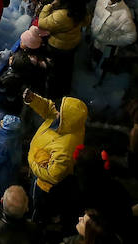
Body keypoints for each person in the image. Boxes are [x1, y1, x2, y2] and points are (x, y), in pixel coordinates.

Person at [23, 89, 88, 224]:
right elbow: (49, 110)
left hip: (44, 185)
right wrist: (34, 100)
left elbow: (53, 175)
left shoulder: (65, 148)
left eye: (61, 112)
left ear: (67, 120)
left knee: (38, 206)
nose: (57, 112)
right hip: (40, 165)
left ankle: (37, 223)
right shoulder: (71, 123)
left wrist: (32, 160)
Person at [89, 0, 137, 78]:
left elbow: (131, 37)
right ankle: (91, 73)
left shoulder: (124, 15)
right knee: (93, 57)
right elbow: (95, 15)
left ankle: (98, 81)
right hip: (95, 39)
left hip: (107, 47)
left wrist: (111, 40)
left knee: (103, 65)